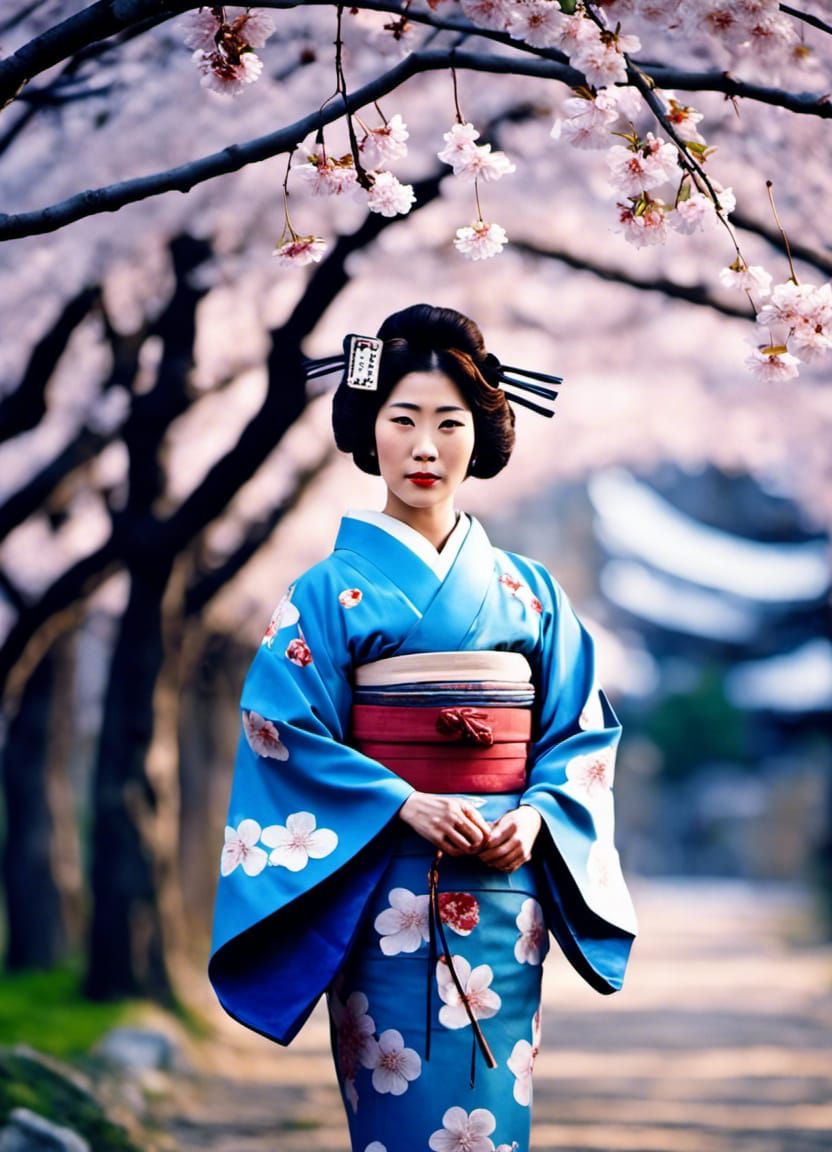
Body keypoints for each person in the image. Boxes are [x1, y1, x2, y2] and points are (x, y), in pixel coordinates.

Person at [209, 304, 637, 1152]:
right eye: (402, 420)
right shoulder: (325, 595)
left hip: (505, 893)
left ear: (481, 434)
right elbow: (281, 732)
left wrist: (540, 814)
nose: (426, 447)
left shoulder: (532, 593)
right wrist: (403, 802)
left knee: (493, 1122)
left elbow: (580, 735)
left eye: (449, 422)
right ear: (371, 431)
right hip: (383, 893)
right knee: (399, 1115)